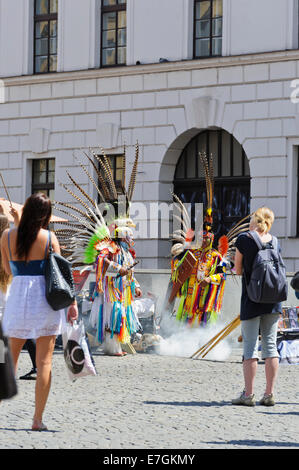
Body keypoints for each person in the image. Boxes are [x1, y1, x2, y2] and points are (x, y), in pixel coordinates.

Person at [0, 193, 78, 430]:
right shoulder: (49, 237)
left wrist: (16, 225)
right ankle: (37, 420)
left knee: (8, 361)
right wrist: (72, 303)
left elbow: (6, 268)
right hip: (44, 299)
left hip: (17, 296)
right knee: (44, 362)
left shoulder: (6, 235)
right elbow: (61, 272)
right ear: (45, 214)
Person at [232, 207, 282, 407]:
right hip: (273, 299)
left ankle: (248, 395)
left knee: (250, 346)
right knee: (270, 346)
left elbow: (237, 269)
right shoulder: (276, 241)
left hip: (252, 298)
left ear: (254, 220)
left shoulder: (244, 239)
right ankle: (269, 393)